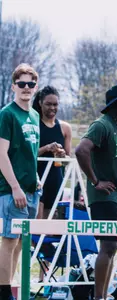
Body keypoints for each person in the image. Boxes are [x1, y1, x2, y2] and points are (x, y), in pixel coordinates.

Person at [75, 84, 117, 300]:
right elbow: (81, 150)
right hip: (105, 197)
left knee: (114, 247)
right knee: (109, 245)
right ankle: (98, 297)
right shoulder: (101, 125)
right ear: (113, 104)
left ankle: (104, 295)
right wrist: (96, 181)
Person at [0, 63, 41, 300]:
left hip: (31, 189)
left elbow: (29, 152)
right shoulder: (7, 113)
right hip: (11, 189)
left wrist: (34, 178)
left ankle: (11, 286)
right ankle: (4, 291)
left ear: (35, 88)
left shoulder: (34, 115)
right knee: (9, 238)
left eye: (31, 84)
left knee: (21, 242)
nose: (26, 88)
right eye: (22, 84)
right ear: (14, 86)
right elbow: (1, 153)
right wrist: (15, 186)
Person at [32, 86, 73, 219]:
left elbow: (68, 160)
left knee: (51, 230)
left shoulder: (65, 128)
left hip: (56, 181)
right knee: (37, 227)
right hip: (37, 181)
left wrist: (62, 156)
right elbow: (27, 155)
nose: (52, 108)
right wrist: (46, 148)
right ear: (40, 103)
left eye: (55, 104)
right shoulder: (34, 125)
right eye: (48, 104)